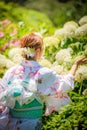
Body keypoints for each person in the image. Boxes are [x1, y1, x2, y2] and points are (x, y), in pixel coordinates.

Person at [0, 33, 87, 130]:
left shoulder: (11, 72)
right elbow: (65, 84)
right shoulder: (43, 73)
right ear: (37, 51)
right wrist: (75, 65)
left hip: (10, 124)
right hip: (31, 124)